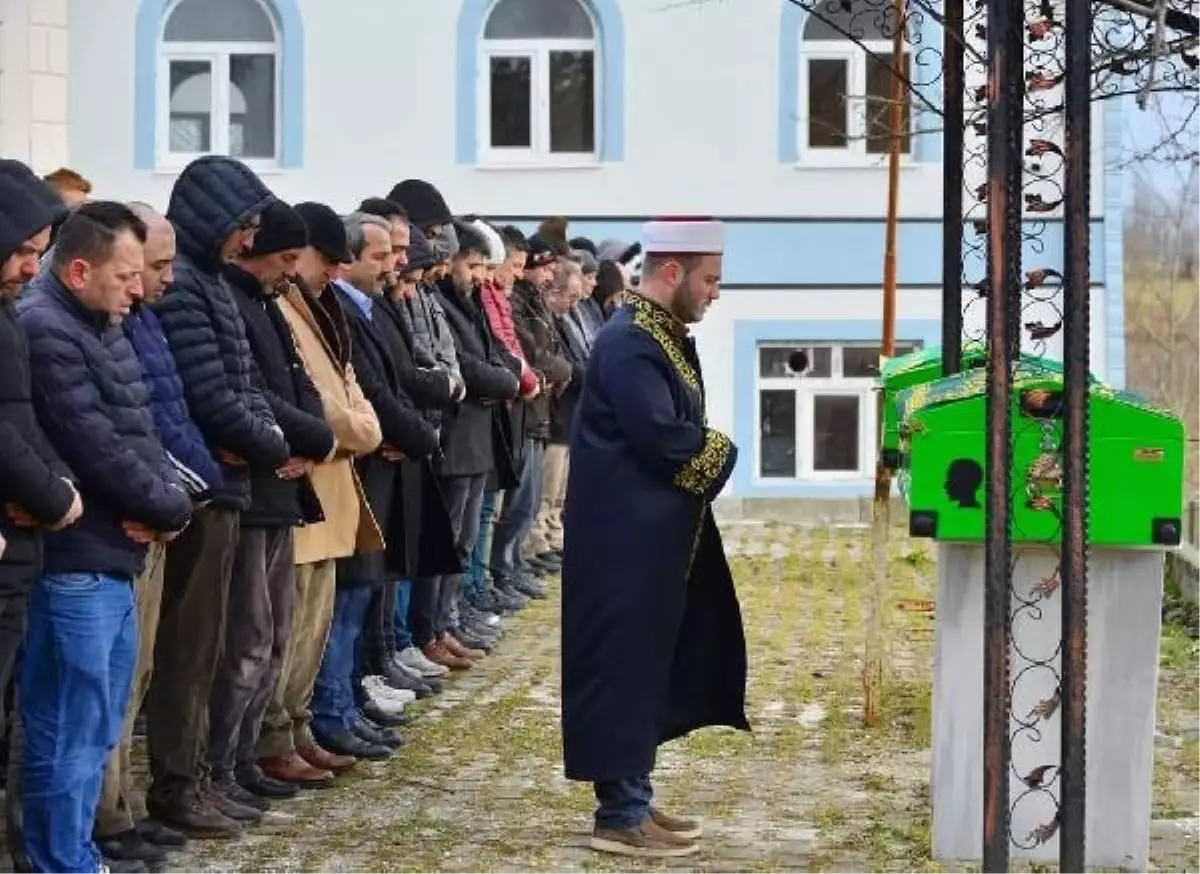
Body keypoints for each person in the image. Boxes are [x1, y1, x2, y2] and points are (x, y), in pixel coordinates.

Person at [560, 218, 748, 859]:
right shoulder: (631, 343)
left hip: (645, 541)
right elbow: (667, 440)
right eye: (710, 279)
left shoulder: (656, 334)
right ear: (674, 272)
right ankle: (620, 816)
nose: (715, 293)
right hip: (622, 544)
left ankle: (632, 796)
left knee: (642, 671)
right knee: (621, 670)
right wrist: (725, 449)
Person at [17, 201, 194, 872]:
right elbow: (92, 445)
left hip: (115, 552)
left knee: (95, 724)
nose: (137, 288)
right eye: (125, 276)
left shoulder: (103, 322)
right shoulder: (47, 328)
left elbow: (140, 432)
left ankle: (76, 849)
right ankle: (61, 858)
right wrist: (170, 506)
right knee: (68, 723)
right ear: (79, 269)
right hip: (77, 560)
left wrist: (172, 502)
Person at [149, 155, 288, 837]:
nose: (250, 237)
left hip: (228, 485)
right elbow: (210, 399)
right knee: (191, 649)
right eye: (246, 224)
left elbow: (247, 390)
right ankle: (178, 783)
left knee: (214, 647)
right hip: (204, 490)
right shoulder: (188, 292)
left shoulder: (208, 286)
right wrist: (272, 442)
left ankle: (200, 776)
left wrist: (263, 435)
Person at [96, 203, 221, 866]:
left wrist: (183, 491)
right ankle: (104, 819)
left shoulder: (138, 321)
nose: (162, 280)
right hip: (120, 521)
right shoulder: (85, 325)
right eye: (154, 265)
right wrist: (177, 494)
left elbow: (158, 418)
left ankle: (125, 807)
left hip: (161, 507)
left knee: (136, 673)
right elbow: (111, 433)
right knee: (103, 688)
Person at [215, 200, 336, 809]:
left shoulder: (266, 302)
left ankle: (242, 760)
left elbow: (305, 389)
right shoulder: (232, 299)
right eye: (284, 258)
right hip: (255, 491)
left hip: (283, 489)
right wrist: (300, 438)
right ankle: (224, 765)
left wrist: (314, 437)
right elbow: (247, 393)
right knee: (246, 640)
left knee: (274, 635)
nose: (288, 271)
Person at [259, 203, 383, 787]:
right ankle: (275, 736)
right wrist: (355, 430)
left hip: (333, 487)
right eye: (325, 261)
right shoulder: (280, 304)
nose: (334, 272)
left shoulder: (325, 305)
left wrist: (358, 427)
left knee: (314, 625)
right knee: (285, 631)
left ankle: (300, 726)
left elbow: (355, 395)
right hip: (303, 487)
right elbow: (313, 400)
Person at [0, 160, 81, 872]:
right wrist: (57, 494)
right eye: (22, 251)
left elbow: (26, 423)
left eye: (38, 252)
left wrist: (54, 482)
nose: (31, 269)